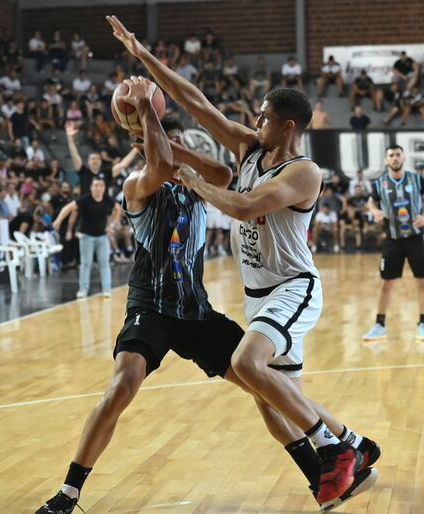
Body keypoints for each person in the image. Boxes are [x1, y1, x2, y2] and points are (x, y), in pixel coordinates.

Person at [36, 76, 376, 514]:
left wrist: (170, 140)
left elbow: (221, 173)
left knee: (264, 386)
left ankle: (340, 457)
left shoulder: (198, 183)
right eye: (165, 140)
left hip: (195, 310)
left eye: (176, 141)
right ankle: (68, 493)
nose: (172, 148)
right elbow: (160, 165)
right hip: (151, 307)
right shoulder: (138, 185)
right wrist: (148, 118)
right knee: (123, 384)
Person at [106, 15, 380, 507]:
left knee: (245, 362)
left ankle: (335, 453)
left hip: (294, 286)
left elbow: (245, 205)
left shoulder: (303, 172)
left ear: (287, 126)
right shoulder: (251, 148)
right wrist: (142, 56)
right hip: (260, 294)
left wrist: (193, 180)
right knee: (273, 396)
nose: (254, 123)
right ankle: (357, 444)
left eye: (263, 118)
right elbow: (197, 102)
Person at [362, 145, 424, 343]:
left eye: (397, 155)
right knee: (386, 283)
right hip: (392, 238)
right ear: (386, 160)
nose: (394, 158)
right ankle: (379, 325)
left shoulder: (416, 179)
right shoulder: (380, 183)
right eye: (391, 155)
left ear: (403, 157)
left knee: (423, 282)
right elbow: (371, 202)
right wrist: (375, 211)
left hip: (415, 237)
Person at [52, 177, 120, 298]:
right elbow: (68, 208)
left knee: (104, 263)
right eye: (95, 185)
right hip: (86, 237)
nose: (98, 188)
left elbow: (118, 210)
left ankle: (107, 289)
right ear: (91, 187)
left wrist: (111, 224)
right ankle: (83, 289)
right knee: (85, 264)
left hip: (102, 237)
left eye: (101, 185)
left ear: (104, 188)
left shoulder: (107, 199)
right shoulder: (85, 199)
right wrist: (58, 220)